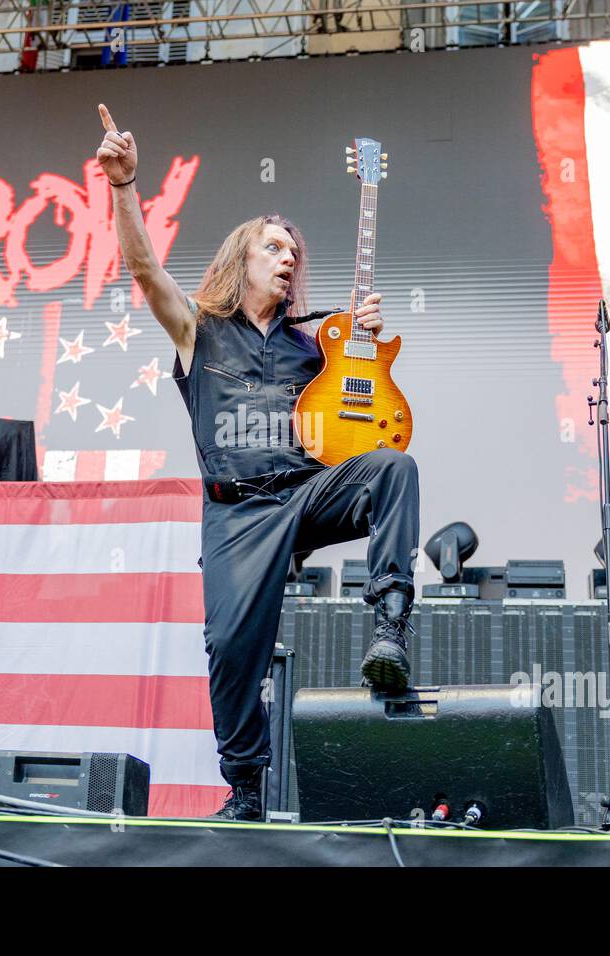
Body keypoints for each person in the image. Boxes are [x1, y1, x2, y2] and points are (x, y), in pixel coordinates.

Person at [96, 104, 420, 821]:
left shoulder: (320, 345)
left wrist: (362, 344)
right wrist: (124, 187)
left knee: (395, 470)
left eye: (294, 252)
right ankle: (243, 789)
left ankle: (390, 626)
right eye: (274, 248)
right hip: (237, 511)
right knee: (230, 647)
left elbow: (362, 425)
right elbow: (144, 268)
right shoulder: (200, 331)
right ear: (241, 258)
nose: (289, 258)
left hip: (303, 495)